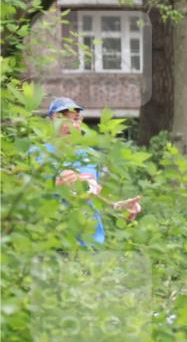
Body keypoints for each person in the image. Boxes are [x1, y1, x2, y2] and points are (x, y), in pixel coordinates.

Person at [37, 97, 142, 246]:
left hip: (91, 246)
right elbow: (23, 198)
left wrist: (117, 207)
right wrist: (56, 184)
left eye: (75, 119)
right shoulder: (36, 153)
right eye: (63, 119)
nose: (71, 125)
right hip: (51, 245)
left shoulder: (89, 154)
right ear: (50, 122)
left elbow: (92, 195)